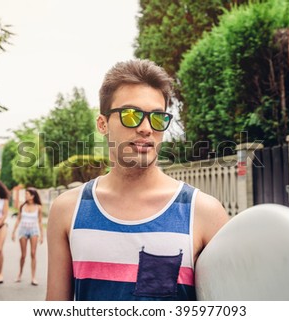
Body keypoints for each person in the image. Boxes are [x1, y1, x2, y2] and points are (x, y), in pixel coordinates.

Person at [46, 59, 229, 301]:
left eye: (157, 118)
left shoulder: (204, 213)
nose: (146, 128)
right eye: (131, 115)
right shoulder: (68, 210)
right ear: (102, 124)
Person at [11, 187, 44, 285]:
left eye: (27, 194)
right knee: (23, 255)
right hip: (23, 231)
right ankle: (19, 274)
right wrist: (13, 232)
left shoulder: (38, 207)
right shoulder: (22, 206)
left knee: (33, 254)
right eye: (25, 194)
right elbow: (18, 219)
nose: (25, 196)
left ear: (33, 196)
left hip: (34, 231)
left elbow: (40, 222)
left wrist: (42, 235)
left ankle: (33, 277)